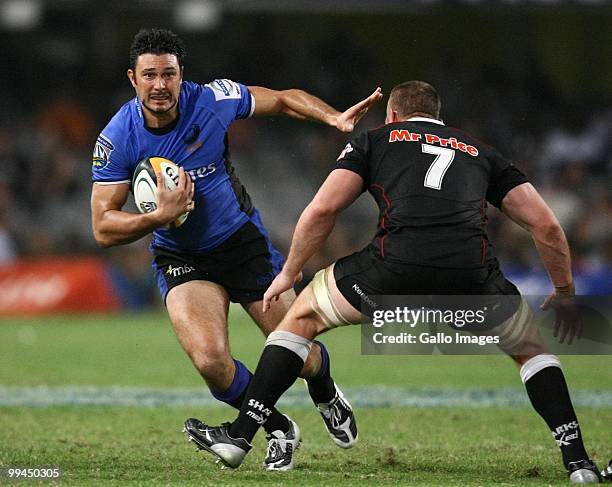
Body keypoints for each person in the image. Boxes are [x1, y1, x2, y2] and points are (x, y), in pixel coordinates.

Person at [192, 81, 609, 483]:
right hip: (470, 276)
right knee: (530, 349)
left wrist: (288, 272)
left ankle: (241, 435)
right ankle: (577, 461)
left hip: (393, 270)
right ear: (437, 117)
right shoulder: (483, 152)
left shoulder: (376, 140)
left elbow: (322, 210)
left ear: (393, 115)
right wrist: (566, 293)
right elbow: (546, 226)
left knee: (301, 318)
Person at [90, 28, 382, 471]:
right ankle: (279, 427)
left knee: (297, 349)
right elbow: (102, 227)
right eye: (149, 75)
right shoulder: (117, 137)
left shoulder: (211, 99)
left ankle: (323, 384)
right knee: (210, 361)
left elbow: (283, 99)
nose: (160, 85)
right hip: (181, 256)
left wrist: (333, 118)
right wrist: (156, 217)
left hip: (241, 244)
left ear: (180, 74)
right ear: (133, 78)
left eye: (168, 74)